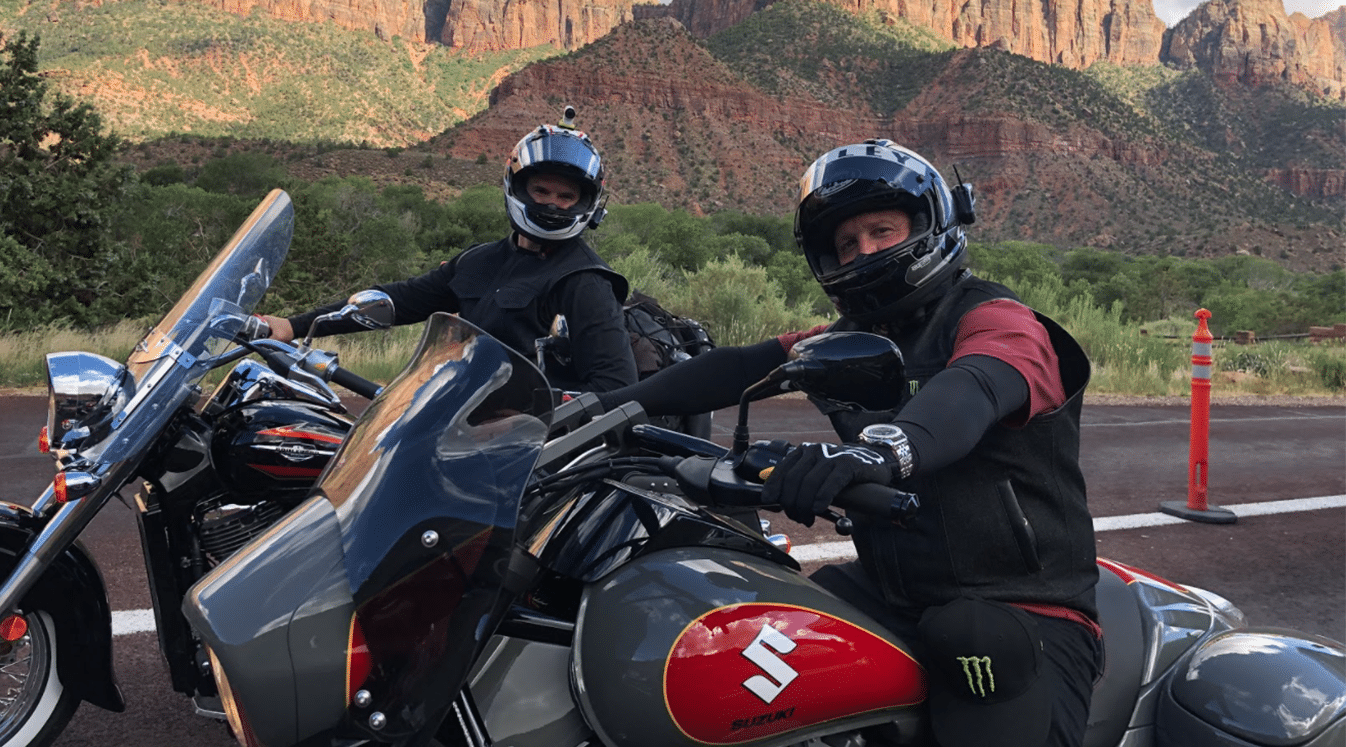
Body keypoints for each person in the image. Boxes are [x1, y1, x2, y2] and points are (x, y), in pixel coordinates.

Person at [595, 139, 1102, 747]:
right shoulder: (848, 338)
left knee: (973, 639)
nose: (864, 251)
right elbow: (743, 366)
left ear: (928, 226)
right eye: (845, 243)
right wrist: (602, 409)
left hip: (1023, 603)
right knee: (759, 617)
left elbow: (973, 388)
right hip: (896, 591)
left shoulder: (997, 320)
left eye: (881, 230)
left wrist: (880, 450)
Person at [262, 112, 638, 394]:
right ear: (518, 188)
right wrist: (295, 325)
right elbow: (402, 299)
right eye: (541, 191)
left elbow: (615, 385)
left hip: (530, 449)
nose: (553, 205)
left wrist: (534, 405)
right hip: (458, 423)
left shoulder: (584, 280)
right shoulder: (479, 260)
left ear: (584, 204)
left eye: (566, 196)